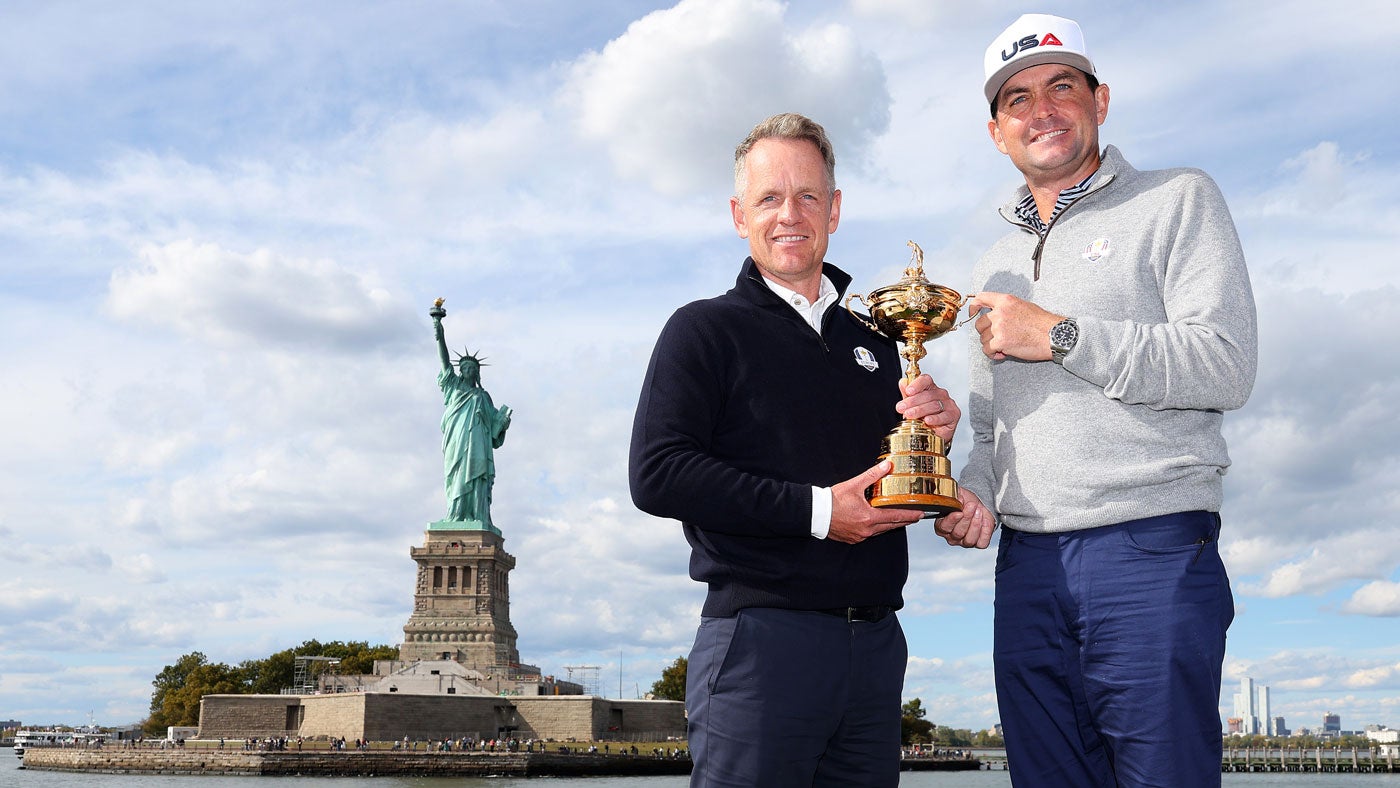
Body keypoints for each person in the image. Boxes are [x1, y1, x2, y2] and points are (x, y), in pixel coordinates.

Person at [933, 13, 1258, 788]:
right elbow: (993, 426)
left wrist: (1062, 335)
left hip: (1148, 549)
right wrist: (971, 492)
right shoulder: (996, 261)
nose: (1040, 110)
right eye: (1017, 99)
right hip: (1028, 570)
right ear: (996, 131)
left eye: (1060, 87)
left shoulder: (1178, 198)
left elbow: (1225, 364)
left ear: (1100, 100)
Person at [629, 112, 967, 787]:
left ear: (834, 210)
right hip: (759, 643)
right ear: (739, 214)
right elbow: (657, 473)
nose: (791, 214)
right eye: (769, 198)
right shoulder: (704, 330)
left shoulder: (878, 344)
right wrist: (818, 512)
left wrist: (946, 467)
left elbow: (892, 481)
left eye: (809, 196)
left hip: (874, 650)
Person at [432, 305, 512, 528]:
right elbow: (444, 361)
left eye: (471, 368)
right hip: (457, 441)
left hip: (478, 444)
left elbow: (495, 431)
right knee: (456, 476)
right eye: (464, 367)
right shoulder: (453, 387)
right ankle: (455, 515)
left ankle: (479, 516)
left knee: (478, 477)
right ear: (460, 371)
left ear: (477, 373)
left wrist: (502, 424)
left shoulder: (483, 396)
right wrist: (440, 334)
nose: (467, 370)